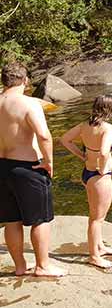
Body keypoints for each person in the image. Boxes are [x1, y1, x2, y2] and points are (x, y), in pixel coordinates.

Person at [0, 63, 66, 277]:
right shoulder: (28, 103)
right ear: (25, 81)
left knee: (11, 220)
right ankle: (42, 266)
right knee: (40, 219)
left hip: (2, 167)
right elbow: (44, 135)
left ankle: (19, 266)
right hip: (27, 166)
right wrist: (49, 162)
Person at [60, 95, 112, 269]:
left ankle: (100, 247)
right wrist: (102, 168)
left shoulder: (84, 125)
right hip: (100, 177)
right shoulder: (107, 128)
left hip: (87, 172)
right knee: (97, 219)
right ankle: (94, 256)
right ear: (110, 110)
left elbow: (64, 140)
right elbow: (103, 152)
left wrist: (81, 155)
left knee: (95, 215)